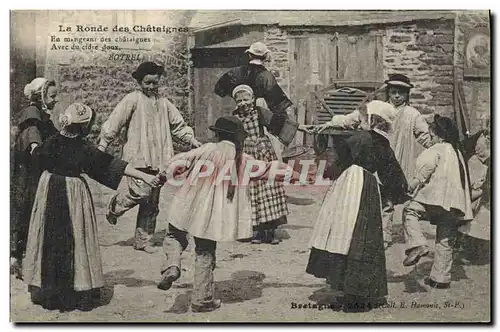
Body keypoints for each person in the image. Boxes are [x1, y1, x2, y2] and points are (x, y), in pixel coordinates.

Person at [22, 103, 162, 311]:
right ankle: (75, 288)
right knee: (74, 238)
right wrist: (145, 176)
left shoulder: (52, 141)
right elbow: (112, 164)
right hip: (72, 194)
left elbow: (36, 156)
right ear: (83, 127)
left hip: (48, 189)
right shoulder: (83, 148)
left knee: (50, 238)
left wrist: (32, 143)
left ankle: (49, 291)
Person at [158, 115, 305, 312]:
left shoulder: (207, 149)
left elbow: (176, 163)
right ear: (238, 138)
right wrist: (296, 174)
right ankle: (202, 300)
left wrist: (162, 175)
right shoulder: (242, 159)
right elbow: (269, 169)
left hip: (188, 205)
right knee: (205, 252)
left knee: (174, 235)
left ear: (217, 134)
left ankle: (172, 266)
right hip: (211, 218)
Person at [306, 101, 408, 313]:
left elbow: (334, 154)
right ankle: (357, 291)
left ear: (373, 120)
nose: (359, 121)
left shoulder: (360, 138)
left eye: (363, 118)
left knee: (344, 233)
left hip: (351, 185)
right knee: (362, 238)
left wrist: (324, 132)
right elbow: (393, 174)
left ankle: (349, 291)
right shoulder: (383, 144)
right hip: (368, 187)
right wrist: (399, 192)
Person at [311, 74, 432, 249]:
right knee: (379, 198)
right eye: (393, 92)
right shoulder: (378, 109)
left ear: (407, 95)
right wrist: (330, 123)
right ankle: (379, 234)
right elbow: (351, 119)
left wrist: (437, 146)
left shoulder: (413, 115)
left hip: (396, 158)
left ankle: (395, 236)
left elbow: (423, 135)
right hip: (376, 158)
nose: (396, 96)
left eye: (401, 93)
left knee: (391, 200)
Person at [98, 61, 202, 253]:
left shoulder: (164, 104)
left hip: (159, 158)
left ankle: (143, 240)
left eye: (155, 83)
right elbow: (115, 122)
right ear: (139, 82)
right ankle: (116, 206)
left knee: (152, 201)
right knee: (141, 192)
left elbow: (178, 126)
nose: (152, 87)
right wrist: (104, 143)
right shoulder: (132, 100)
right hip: (138, 156)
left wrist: (192, 140)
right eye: (147, 83)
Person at [224, 85, 309, 244]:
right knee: (251, 191)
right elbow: (227, 136)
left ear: (253, 99)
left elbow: (280, 123)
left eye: (246, 99)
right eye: (239, 100)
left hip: (264, 153)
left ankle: (271, 231)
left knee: (269, 188)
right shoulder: (235, 118)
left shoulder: (260, 113)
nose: (243, 103)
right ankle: (256, 231)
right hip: (246, 155)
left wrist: (301, 128)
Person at [402, 115, 473, 289]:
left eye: (432, 135)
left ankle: (417, 244)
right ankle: (440, 278)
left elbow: (424, 170)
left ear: (440, 136)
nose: (431, 139)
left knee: (409, 211)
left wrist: (410, 186)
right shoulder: (458, 153)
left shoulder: (437, 149)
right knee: (445, 237)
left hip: (435, 197)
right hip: (455, 203)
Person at [11, 77, 59, 279]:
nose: (56, 100)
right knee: (26, 211)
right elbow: (34, 145)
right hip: (28, 176)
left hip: (33, 173)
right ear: (40, 97)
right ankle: (17, 258)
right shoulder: (32, 120)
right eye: (52, 96)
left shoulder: (41, 117)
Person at [214, 41, 301, 147]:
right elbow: (278, 104)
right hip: (259, 113)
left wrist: (237, 96)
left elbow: (219, 89)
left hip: (239, 110)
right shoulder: (266, 76)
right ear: (265, 57)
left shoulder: (236, 71)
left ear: (249, 55)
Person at [457, 114, 490, 263]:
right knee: (471, 211)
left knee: (482, 217)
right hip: (475, 173)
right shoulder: (481, 137)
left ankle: (477, 252)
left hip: (484, 177)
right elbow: (463, 148)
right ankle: (465, 248)